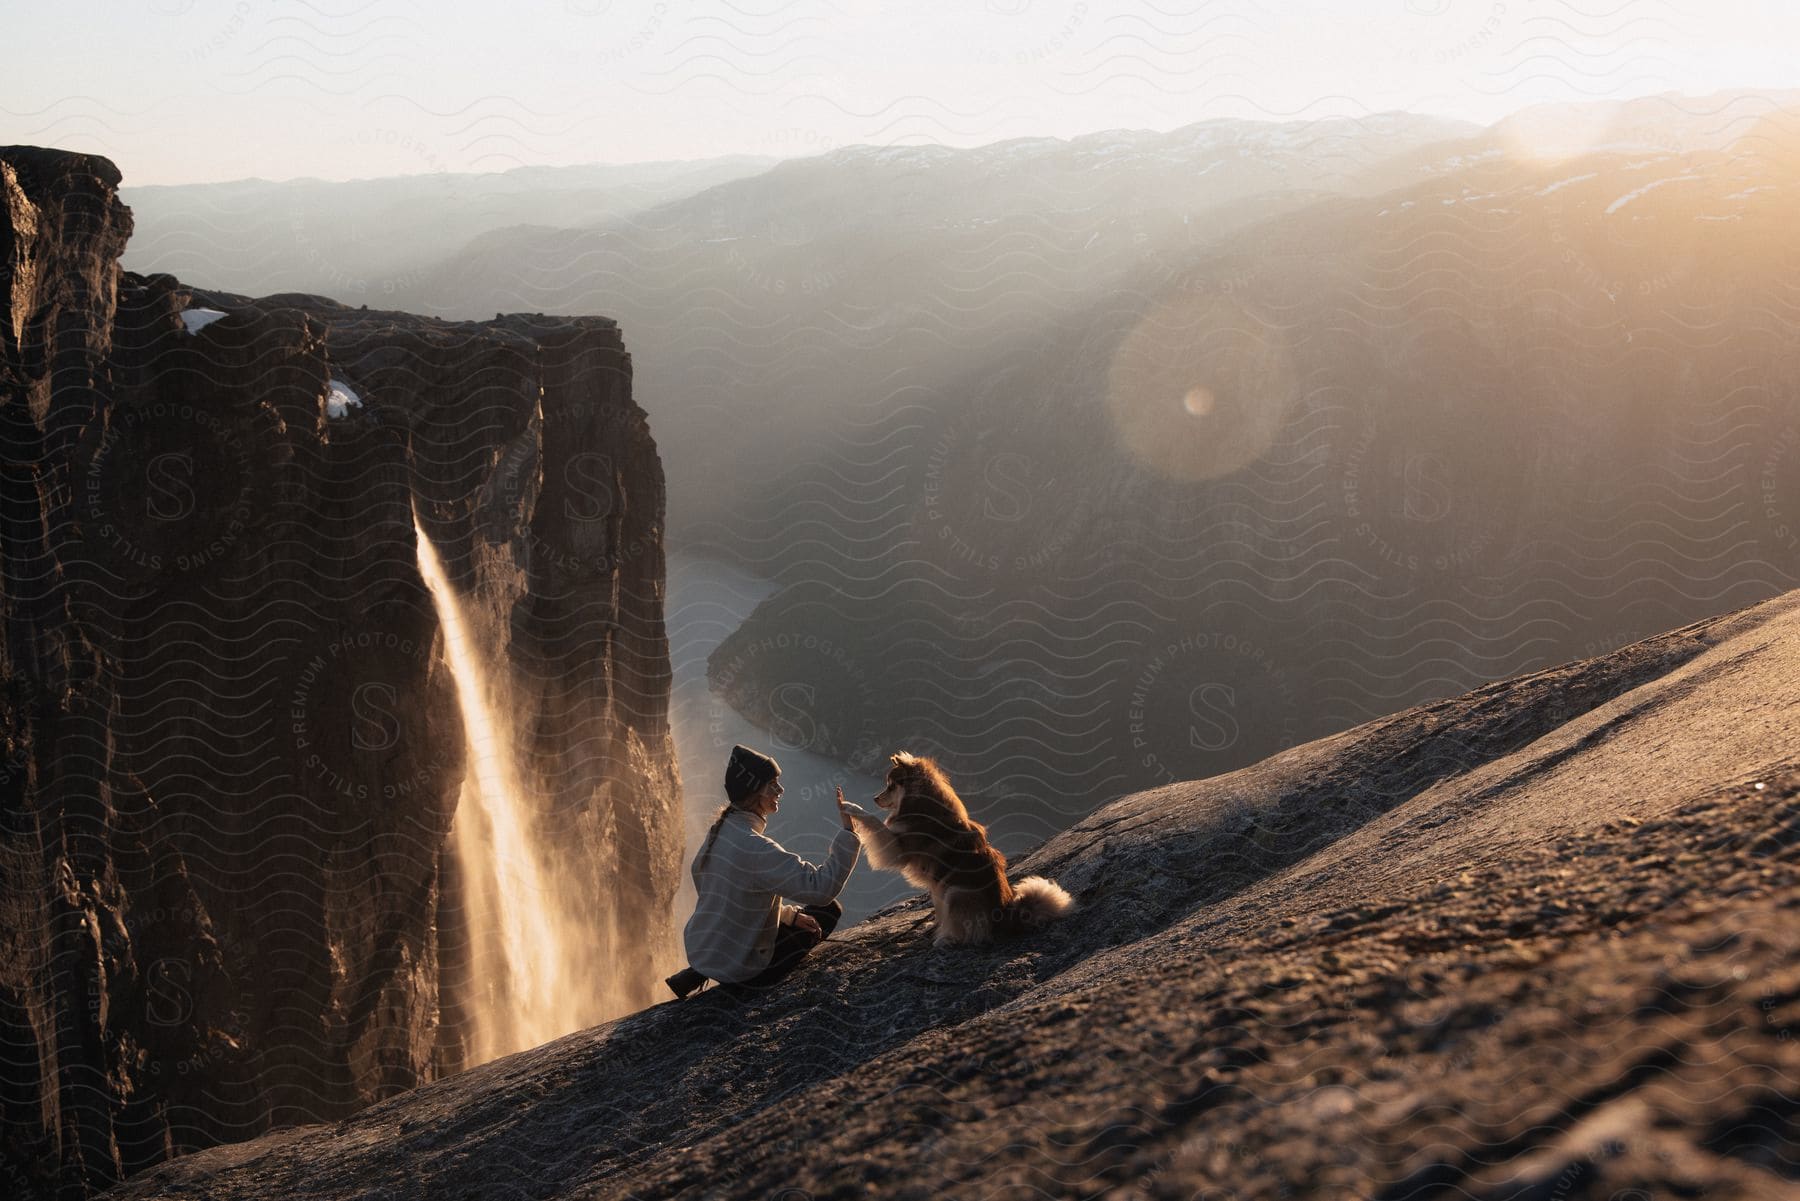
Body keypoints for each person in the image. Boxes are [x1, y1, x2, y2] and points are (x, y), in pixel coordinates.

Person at [665, 744, 865, 999]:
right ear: (754, 792)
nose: (780, 790)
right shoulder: (754, 847)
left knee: (789, 915)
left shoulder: (720, 832)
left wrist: (788, 917)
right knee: (828, 910)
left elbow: (728, 898)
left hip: (709, 949)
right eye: (772, 784)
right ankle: (737, 981)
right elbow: (820, 888)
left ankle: (703, 970)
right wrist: (849, 833)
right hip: (747, 971)